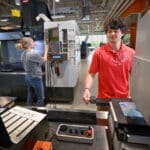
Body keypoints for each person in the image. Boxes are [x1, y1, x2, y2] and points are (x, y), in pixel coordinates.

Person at [83, 17, 135, 105]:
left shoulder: (131, 53)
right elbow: (91, 73)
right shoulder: (99, 53)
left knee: (121, 119)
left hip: (124, 100)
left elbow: (136, 77)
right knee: (102, 119)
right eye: (109, 31)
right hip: (103, 100)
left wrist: (134, 95)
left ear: (122, 33)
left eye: (115, 31)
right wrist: (87, 89)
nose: (112, 34)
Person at [16, 37, 49, 106]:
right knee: (41, 97)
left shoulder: (23, 54)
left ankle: (29, 108)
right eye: (33, 42)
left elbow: (34, 63)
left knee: (30, 94)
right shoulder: (33, 54)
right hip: (35, 78)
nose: (34, 43)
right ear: (29, 44)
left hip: (28, 77)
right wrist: (46, 50)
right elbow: (44, 60)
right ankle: (40, 112)